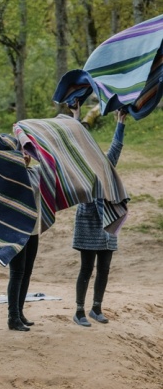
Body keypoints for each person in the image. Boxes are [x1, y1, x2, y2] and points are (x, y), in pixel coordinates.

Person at [72, 105, 128, 327]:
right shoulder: (82, 165)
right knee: (86, 267)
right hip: (87, 221)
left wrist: (121, 122)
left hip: (109, 220)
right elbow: (75, 145)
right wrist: (76, 118)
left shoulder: (107, 164)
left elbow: (117, 146)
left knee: (104, 267)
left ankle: (96, 308)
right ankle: (79, 311)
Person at [6, 156, 41, 331]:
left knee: (27, 271)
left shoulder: (35, 172)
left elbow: (51, 164)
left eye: (28, 153)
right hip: (16, 230)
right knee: (17, 272)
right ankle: (12, 317)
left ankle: (19, 312)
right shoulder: (10, 174)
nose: (25, 157)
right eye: (21, 152)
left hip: (33, 230)